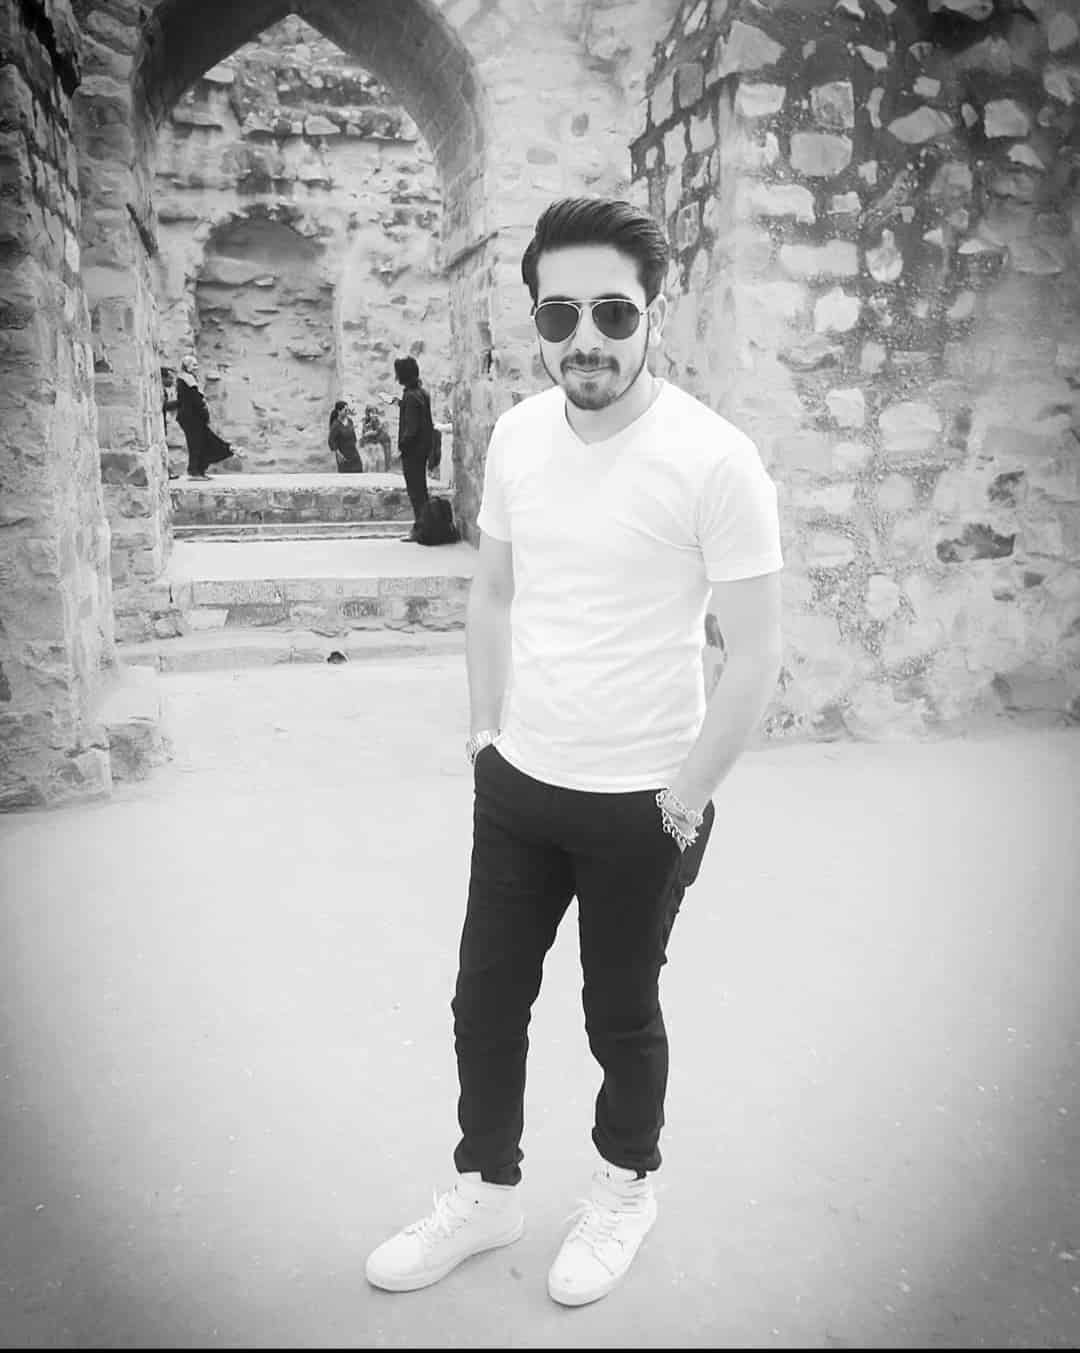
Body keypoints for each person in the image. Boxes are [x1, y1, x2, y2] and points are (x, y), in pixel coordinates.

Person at [365, 198, 784, 1306]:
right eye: (560, 314)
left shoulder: (715, 460)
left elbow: (755, 654)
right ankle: (486, 1190)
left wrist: (687, 797)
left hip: (645, 797)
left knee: (620, 1012)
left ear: (655, 312)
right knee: (484, 1000)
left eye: (613, 312)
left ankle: (623, 1189)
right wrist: (484, 733)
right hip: (520, 781)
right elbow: (494, 592)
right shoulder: (516, 437)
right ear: (536, 320)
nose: (585, 338)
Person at [391, 355, 435, 541]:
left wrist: (401, 448)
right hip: (422, 449)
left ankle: (421, 530)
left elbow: (411, 429)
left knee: (416, 492)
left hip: (413, 451)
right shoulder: (421, 393)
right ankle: (425, 527)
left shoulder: (410, 396)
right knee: (420, 490)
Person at [173, 354, 233, 479]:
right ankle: (194, 471)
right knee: (195, 443)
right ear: (187, 366)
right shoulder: (186, 380)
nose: (196, 367)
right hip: (191, 418)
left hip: (194, 417)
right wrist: (204, 413)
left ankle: (199, 470)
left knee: (202, 442)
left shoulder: (188, 379)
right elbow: (193, 401)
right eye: (193, 365)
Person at [328, 399, 363, 473]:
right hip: (344, 456)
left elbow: (353, 435)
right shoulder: (336, 425)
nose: (347, 412)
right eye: (345, 410)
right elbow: (331, 441)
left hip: (354, 454)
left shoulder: (350, 421)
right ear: (339, 411)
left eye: (348, 410)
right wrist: (338, 454)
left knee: (359, 471)